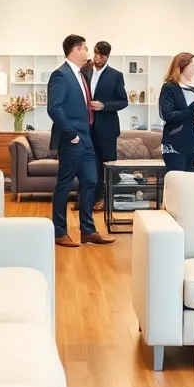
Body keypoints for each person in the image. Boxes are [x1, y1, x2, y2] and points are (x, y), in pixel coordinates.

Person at [48, 34, 114, 248]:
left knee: (91, 182)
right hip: (72, 139)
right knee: (65, 184)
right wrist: (72, 134)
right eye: (85, 49)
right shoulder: (60, 75)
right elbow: (54, 108)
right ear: (76, 50)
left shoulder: (81, 74)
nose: (88, 53)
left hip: (87, 139)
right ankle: (59, 232)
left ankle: (88, 230)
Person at [87, 40, 128, 212]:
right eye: (96, 54)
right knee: (89, 164)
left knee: (108, 165)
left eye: (101, 56)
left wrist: (104, 106)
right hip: (87, 126)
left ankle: (107, 198)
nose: (97, 58)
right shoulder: (84, 70)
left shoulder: (116, 75)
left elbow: (123, 101)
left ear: (107, 57)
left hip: (107, 128)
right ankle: (89, 199)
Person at [160, 52, 194, 174]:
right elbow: (168, 115)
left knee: (188, 181)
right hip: (175, 142)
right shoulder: (169, 88)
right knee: (176, 182)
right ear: (182, 66)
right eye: (192, 66)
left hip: (191, 141)